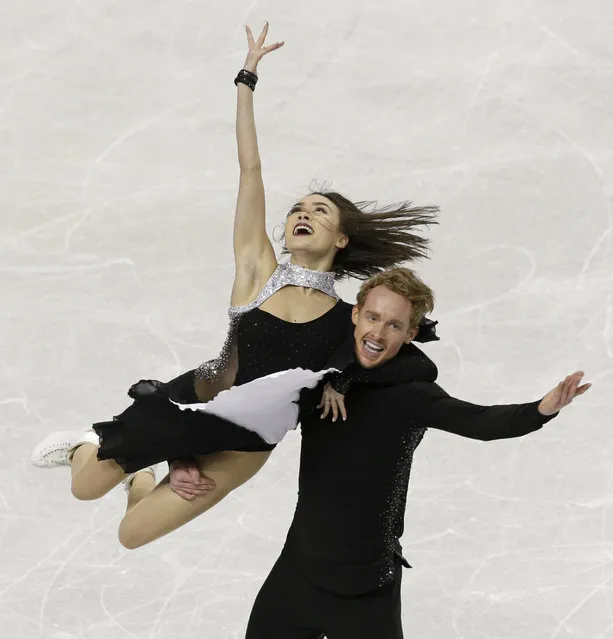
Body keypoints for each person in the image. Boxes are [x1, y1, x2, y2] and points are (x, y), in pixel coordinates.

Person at [29, 23, 438, 550]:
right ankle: (88, 441)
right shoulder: (257, 272)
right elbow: (251, 170)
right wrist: (246, 81)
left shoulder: (352, 317)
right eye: (298, 209)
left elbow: (402, 352)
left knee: (131, 535)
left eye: (319, 211)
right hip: (187, 406)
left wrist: (344, 381)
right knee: (84, 489)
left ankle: (140, 482)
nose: (301, 214)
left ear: (340, 238)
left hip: (243, 443)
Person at [172, 268, 589, 639]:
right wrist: (182, 458)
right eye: (372, 317)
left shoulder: (413, 396)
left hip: (367, 592)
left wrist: (541, 409)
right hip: (297, 576)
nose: (378, 332)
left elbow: (479, 422)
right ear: (355, 314)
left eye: (394, 325)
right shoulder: (318, 376)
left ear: (410, 334)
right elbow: (226, 407)